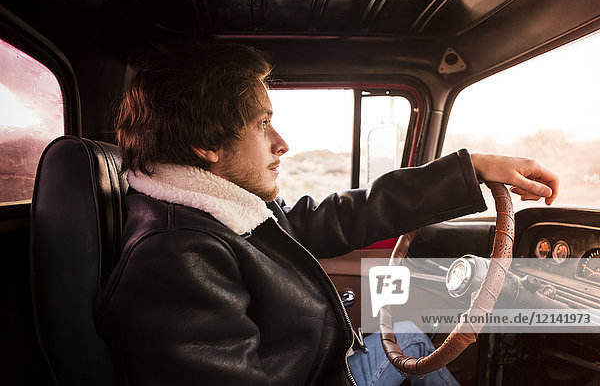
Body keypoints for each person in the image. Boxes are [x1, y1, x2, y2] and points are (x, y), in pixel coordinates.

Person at [94, 43, 559, 386]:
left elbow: (329, 219)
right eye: (262, 123)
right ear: (206, 145)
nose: (281, 143)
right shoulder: (176, 258)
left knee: (406, 332)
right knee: (412, 340)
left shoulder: (220, 212)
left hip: (319, 367)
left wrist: (471, 169)